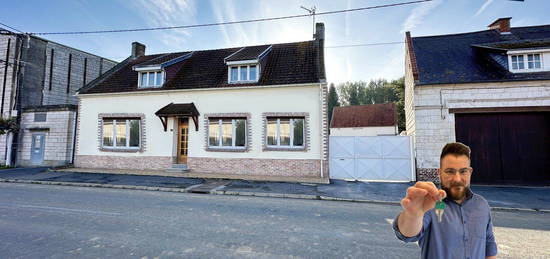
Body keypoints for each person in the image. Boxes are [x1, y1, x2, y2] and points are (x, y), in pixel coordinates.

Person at [392, 142, 497, 259]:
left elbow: (489, 246)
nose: (457, 179)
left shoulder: (481, 205)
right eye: (450, 171)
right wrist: (413, 215)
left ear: (470, 172)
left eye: (463, 171)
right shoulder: (429, 205)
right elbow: (407, 234)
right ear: (439, 173)